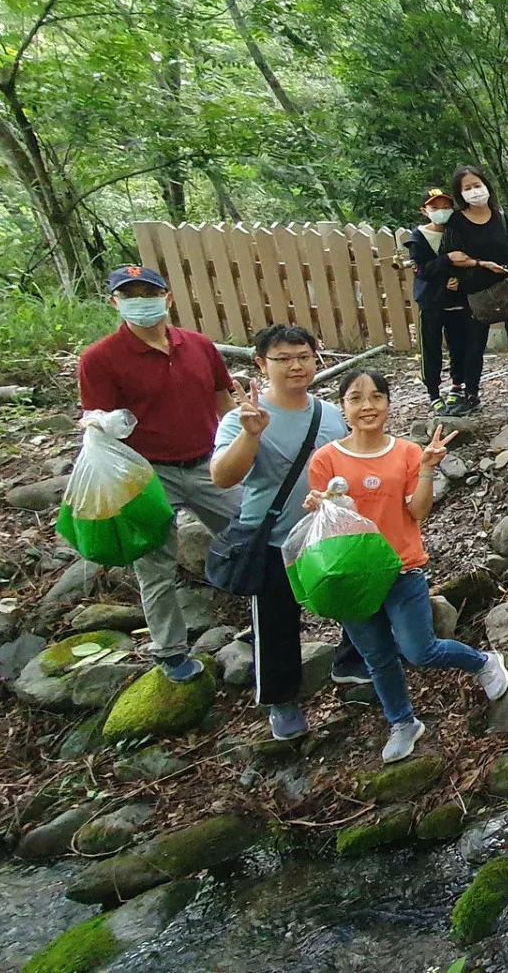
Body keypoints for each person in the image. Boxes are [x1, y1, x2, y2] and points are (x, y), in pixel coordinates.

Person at [303, 371, 508, 761]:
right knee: (378, 658)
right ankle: (403, 722)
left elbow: (418, 510)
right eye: (356, 398)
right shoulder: (326, 459)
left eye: (377, 397)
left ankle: (482, 662)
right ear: (342, 407)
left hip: (403, 569)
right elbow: (324, 526)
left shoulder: (407, 454)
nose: (367, 406)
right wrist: (319, 507)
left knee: (420, 650)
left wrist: (429, 467)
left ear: (388, 403)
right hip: (352, 579)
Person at [75, 265, 241, 683]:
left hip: (206, 463)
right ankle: (169, 650)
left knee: (249, 534)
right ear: (115, 303)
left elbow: (224, 401)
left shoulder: (199, 346)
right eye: (129, 295)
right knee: (155, 566)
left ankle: (263, 615)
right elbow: (96, 420)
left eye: (147, 292)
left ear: (167, 297)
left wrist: (242, 448)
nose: (140, 301)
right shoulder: (100, 359)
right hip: (147, 475)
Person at [211, 325, 347, 741]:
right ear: (260, 364)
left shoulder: (331, 415)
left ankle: (351, 665)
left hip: (323, 535)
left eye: (303, 356)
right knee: (275, 624)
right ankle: (282, 700)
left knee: (350, 601)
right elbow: (222, 477)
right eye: (283, 359)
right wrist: (252, 435)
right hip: (271, 540)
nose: (295, 366)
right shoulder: (243, 418)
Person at [440, 165, 508, 415]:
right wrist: (479, 264)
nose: (474, 191)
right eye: (467, 188)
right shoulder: (457, 222)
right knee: (475, 343)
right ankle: (471, 394)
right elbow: (451, 256)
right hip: (475, 289)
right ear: (460, 194)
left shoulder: (502, 217)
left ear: (486, 186)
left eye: (477, 185)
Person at [406, 188, 474, 413]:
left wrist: (459, 280)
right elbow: (423, 270)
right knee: (431, 348)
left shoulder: (457, 233)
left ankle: (457, 387)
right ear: (424, 211)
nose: (441, 212)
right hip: (431, 302)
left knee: (459, 345)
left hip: (458, 301)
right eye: (435, 207)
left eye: (446, 207)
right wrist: (447, 260)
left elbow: (469, 262)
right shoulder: (418, 238)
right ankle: (433, 393)